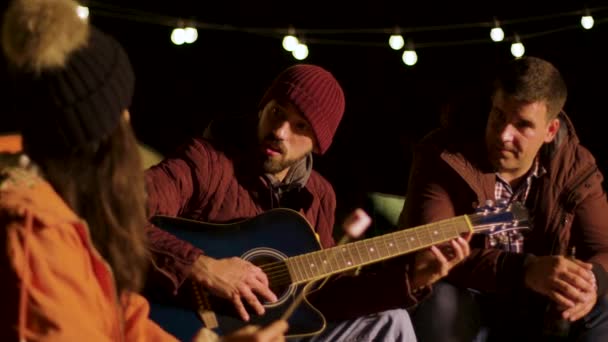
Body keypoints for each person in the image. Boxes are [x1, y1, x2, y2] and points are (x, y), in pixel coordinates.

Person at [0, 0, 288, 341]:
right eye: (122, 113)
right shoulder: (35, 236)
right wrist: (201, 265)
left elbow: (120, 317)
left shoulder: (69, 209)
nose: (129, 122)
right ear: (96, 137)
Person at [143, 60, 471, 341]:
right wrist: (203, 266)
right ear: (262, 109)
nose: (281, 132)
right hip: (194, 327)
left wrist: (413, 279)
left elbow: (324, 297)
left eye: (300, 125)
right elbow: (118, 211)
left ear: (317, 143)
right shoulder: (207, 161)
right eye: (276, 112)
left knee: (391, 321)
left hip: (276, 333)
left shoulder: (319, 196)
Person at [399, 56, 608, 341]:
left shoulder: (576, 167)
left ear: (550, 131)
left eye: (522, 125)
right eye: (499, 115)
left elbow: (604, 248)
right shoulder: (443, 154)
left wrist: (591, 282)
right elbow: (429, 252)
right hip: (468, 292)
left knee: (601, 303)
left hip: (540, 303)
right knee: (440, 299)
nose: (504, 134)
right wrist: (523, 269)